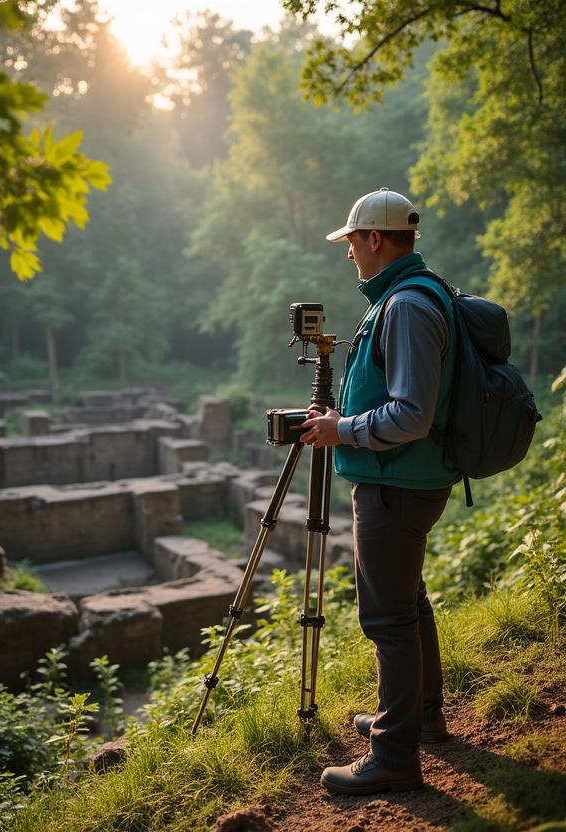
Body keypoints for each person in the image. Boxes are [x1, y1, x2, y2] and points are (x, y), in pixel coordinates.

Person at [298, 187, 460, 796]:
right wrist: (346, 419)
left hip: (396, 484)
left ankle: (393, 756)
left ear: (374, 240)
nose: (348, 256)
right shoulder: (411, 295)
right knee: (408, 602)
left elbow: (411, 414)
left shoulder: (407, 306)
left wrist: (341, 430)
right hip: (405, 480)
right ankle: (421, 718)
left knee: (387, 618)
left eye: (351, 243)